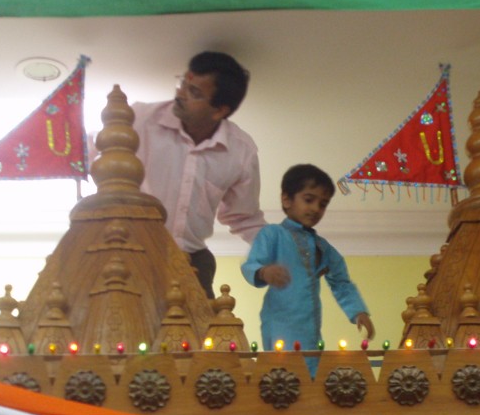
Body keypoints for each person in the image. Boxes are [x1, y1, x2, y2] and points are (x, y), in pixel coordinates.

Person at [132, 51, 266, 297]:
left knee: (202, 334)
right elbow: (85, 153)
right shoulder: (139, 119)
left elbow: (244, 217)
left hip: (193, 262)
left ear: (219, 111)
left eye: (194, 92)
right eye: (183, 83)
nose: (180, 93)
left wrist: (279, 254)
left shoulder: (241, 152)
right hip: (131, 253)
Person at [242, 164, 374, 367]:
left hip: (310, 328)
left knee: (311, 375)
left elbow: (341, 282)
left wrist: (358, 311)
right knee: (282, 372)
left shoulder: (323, 247)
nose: (315, 209)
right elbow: (251, 264)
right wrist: (264, 272)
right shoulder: (272, 234)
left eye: (323, 204)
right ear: (286, 200)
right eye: (309, 199)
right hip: (279, 321)